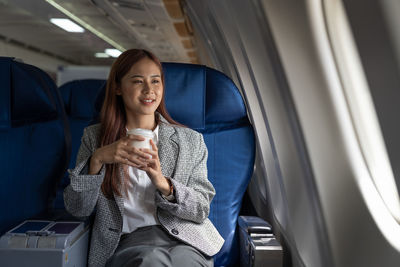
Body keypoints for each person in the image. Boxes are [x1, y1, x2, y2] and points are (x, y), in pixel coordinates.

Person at [64, 49, 224, 267]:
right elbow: (77, 209)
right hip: (126, 241)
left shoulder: (190, 141)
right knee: (151, 260)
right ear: (118, 88)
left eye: (155, 81)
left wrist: (163, 184)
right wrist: (98, 159)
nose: (149, 90)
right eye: (138, 81)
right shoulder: (95, 138)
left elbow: (201, 210)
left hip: (184, 240)